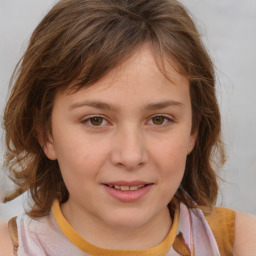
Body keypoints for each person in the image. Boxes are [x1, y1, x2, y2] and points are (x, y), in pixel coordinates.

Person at [0, 0, 256, 255]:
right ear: (45, 134)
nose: (131, 156)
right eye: (96, 120)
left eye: (159, 119)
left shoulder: (239, 243)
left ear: (193, 130)